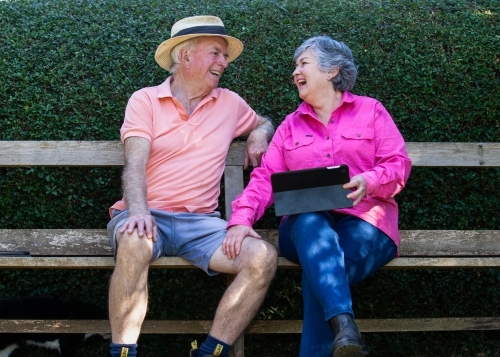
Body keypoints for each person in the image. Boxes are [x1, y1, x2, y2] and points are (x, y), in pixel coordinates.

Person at [226, 36, 412, 357]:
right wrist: (241, 220)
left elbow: (398, 165)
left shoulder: (371, 111)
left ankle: (343, 327)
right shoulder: (289, 127)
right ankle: (344, 324)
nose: (295, 71)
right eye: (295, 66)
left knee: (322, 273)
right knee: (309, 221)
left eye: (303, 64)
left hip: (366, 222)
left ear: (331, 71)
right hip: (302, 228)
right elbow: (264, 180)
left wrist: (369, 181)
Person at [106, 15, 278, 357]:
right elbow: (135, 164)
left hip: (201, 224)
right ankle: (122, 352)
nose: (224, 63)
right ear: (185, 57)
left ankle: (211, 352)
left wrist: (259, 133)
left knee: (262, 257)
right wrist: (138, 212)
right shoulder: (144, 100)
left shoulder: (230, 103)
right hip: (145, 215)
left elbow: (263, 121)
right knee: (135, 243)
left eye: (224, 56)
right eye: (216, 53)